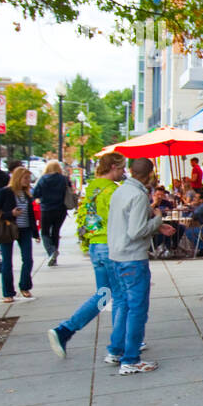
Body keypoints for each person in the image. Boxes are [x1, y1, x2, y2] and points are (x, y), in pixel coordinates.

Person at [47, 152, 126, 358]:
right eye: (121, 168)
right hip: (110, 246)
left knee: (104, 295)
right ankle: (120, 344)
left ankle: (65, 330)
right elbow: (120, 221)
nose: (123, 172)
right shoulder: (112, 191)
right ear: (113, 168)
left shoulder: (93, 187)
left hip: (95, 246)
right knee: (119, 297)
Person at [106, 157, 176, 373]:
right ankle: (131, 359)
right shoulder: (138, 196)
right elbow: (135, 231)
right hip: (133, 258)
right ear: (149, 174)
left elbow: (128, 224)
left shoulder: (120, 191)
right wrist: (156, 219)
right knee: (137, 309)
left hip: (117, 255)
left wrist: (157, 226)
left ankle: (116, 350)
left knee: (124, 305)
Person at [0, 166, 38, 302]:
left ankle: (25, 286)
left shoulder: (27, 194)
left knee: (28, 259)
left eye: (29, 178)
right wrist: (10, 214)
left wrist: (35, 232)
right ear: (18, 178)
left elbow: (31, 215)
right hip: (8, 229)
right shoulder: (5, 192)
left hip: (25, 229)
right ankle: (8, 292)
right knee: (7, 261)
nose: (28, 181)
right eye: (25, 178)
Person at [33, 161, 70, 265]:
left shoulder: (43, 179)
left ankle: (51, 251)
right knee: (55, 232)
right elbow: (70, 190)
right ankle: (54, 257)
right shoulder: (64, 179)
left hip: (46, 209)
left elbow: (35, 193)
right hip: (61, 209)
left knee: (44, 232)